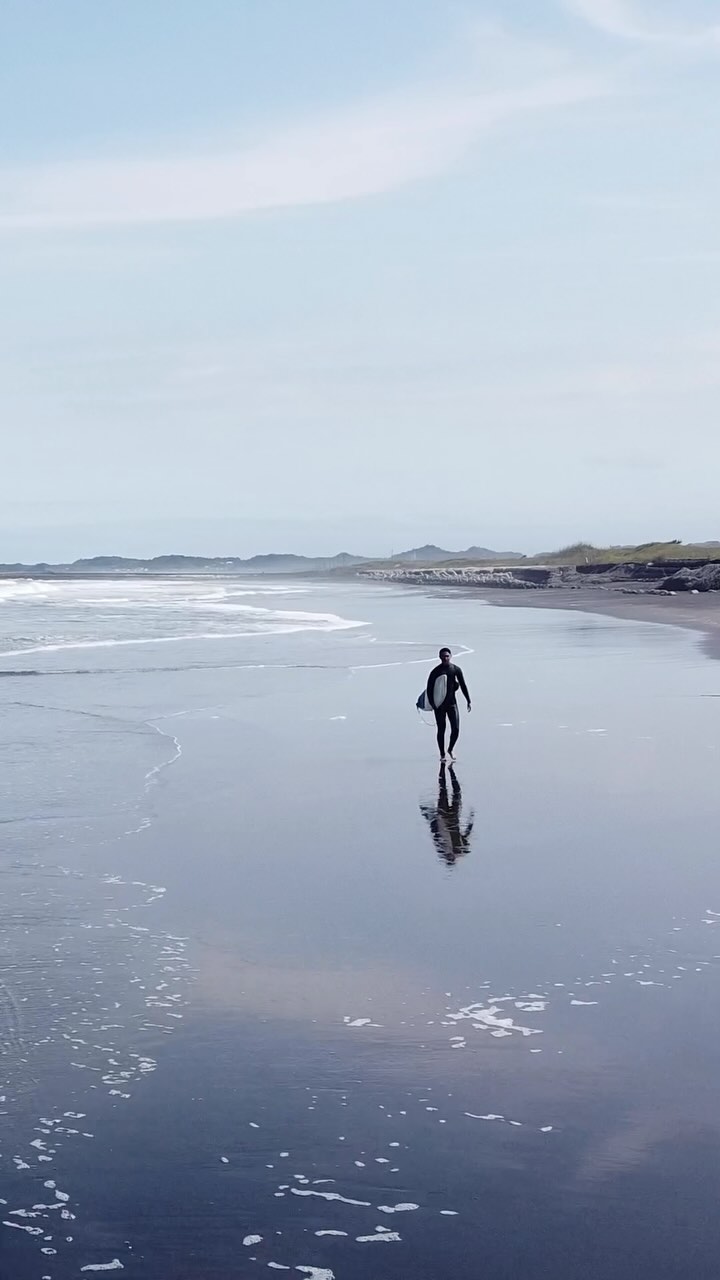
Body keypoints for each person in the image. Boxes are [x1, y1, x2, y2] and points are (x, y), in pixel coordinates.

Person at [419, 764, 475, 866]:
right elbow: (467, 833)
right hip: (452, 816)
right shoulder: (460, 848)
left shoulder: (442, 846)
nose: (451, 856)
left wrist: (428, 814)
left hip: (443, 815)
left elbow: (434, 829)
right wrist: (471, 820)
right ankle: (450, 770)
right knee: (455, 792)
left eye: (449, 857)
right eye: (451, 858)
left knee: (444, 791)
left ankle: (445, 768)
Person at [426, 647, 471, 762]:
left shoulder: (455, 669)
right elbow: (429, 689)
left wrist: (468, 700)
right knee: (441, 730)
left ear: (450, 656)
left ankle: (450, 749)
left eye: (447, 656)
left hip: (452, 704)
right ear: (440, 657)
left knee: (456, 729)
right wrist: (433, 704)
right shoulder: (435, 672)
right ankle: (442, 754)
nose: (445, 658)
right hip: (439, 706)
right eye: (443, 656)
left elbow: (463, 685)